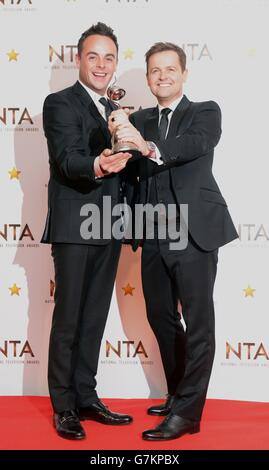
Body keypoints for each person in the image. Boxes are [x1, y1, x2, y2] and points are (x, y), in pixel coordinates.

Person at [109, 42, 238, 441]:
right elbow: (129, 168)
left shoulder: (205, 112)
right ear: (147, 78)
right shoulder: (141, 118)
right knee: (161, 316)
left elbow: (194, 145)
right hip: (153, 232)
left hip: (194, 231)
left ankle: (188, 414)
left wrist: (148, 147)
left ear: (183, 74)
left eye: (170, 69)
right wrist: (117, 139)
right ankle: (180, 393)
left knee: (200, 324)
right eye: (154, 71)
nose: (162, 76)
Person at [41, 22, 133, 440]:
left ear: (116, 63)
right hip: (75, 225)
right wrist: (98, 164)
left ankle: (86, 395)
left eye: (109, 57)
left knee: (94, 317)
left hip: (110, 224)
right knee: (68, 319)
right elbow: (66, 159)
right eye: (93, 56)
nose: (101, 64)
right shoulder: (59, 103)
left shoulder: (117, 109)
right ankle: (63, 406)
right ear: (78, 59)